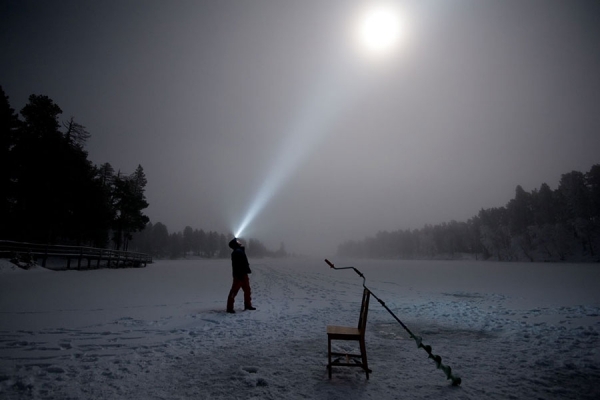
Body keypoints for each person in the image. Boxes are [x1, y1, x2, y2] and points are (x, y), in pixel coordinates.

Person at [226, 238, 255, 313]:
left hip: (243, 274)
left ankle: (248, 305)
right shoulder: (237, 252)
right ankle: (229, 308)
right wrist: (240, 274)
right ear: (235, 244)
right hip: (239, 275)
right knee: (234, 291)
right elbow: (237, 265)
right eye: (237, 241)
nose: (239, 242)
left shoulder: (239, 251)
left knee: (247, 290)